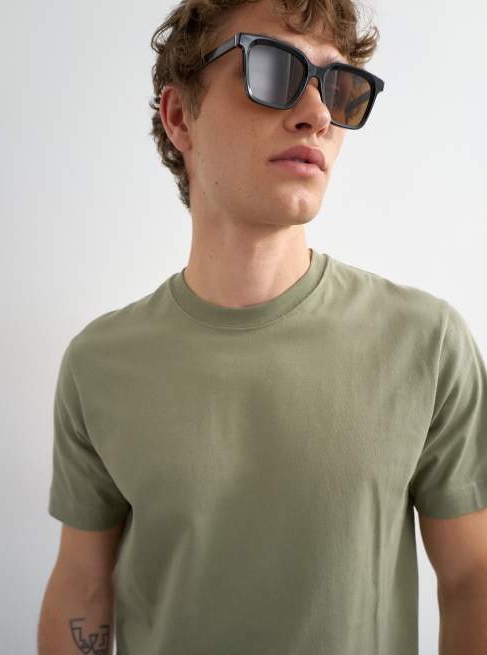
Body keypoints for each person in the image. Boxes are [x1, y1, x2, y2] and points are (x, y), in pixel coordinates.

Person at [38, 1, 487, 654]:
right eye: (273, 69)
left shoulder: (426, 345)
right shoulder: (99, 364)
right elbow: (82, 588)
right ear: (180, 117)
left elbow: (473, 579)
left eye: (338, 85)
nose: (318, 113)